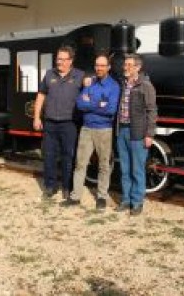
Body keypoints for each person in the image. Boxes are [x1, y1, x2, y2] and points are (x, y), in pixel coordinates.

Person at [63, 53, 120, 210]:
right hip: (86, 128)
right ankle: (75, 197)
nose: (99, 68)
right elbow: (80, 104)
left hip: (104, 130)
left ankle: (101, 196)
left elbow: (110, 110)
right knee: (80, 164)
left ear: (108, 67)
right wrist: (99, 104)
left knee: (103, 165)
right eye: (97, 65)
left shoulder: (114, 86)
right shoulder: (90, 83)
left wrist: (91, 103)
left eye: (102, 65)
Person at [33, 45, 84, 199]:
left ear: (71, 60)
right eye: (58, 59)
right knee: (49, 155)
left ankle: (67, 188)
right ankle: (50, 186)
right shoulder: (49, 75)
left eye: (63, 59)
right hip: (50, 123)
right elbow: (41, 96)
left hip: (70, 124)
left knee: (69, 157)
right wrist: (36, 117)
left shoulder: (80, 76)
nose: (59, 62)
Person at [116, 53, 157, 215]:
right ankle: (126, 200)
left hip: (138, 133)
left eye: (129, 65)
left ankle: (137, 202)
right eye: (125, 65)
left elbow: (152, 111)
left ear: (138, 68)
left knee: (137, 169)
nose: (126, 67)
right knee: (124, 169)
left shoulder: (145, 86)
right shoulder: (123, 84)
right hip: (122, 131)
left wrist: (149, 134)